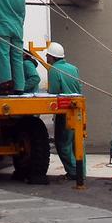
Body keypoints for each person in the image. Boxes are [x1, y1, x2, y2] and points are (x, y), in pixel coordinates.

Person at [45, 41, 82, 180]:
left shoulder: (54, 70)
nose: (47, 58)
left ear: (53, 57)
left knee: (62, 144)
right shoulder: (73, 68)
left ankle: (73, 173)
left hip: (64, 112)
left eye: (48, 55)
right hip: (77, 109)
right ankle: (80, 172)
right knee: (76, 143)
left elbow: (53, 92)